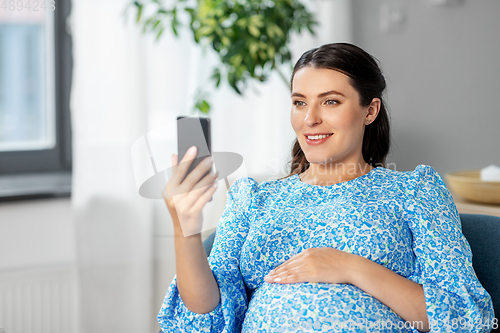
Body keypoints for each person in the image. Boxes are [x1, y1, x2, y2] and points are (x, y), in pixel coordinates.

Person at [158, 43, 495, 332]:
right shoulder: (253, 199)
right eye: (300, 102)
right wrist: (184, 231)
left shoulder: (415, 192)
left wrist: (349, 266)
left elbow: (464, 320)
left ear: (370, 110)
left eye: (330, 101)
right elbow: (206, 322)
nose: (310, 119)